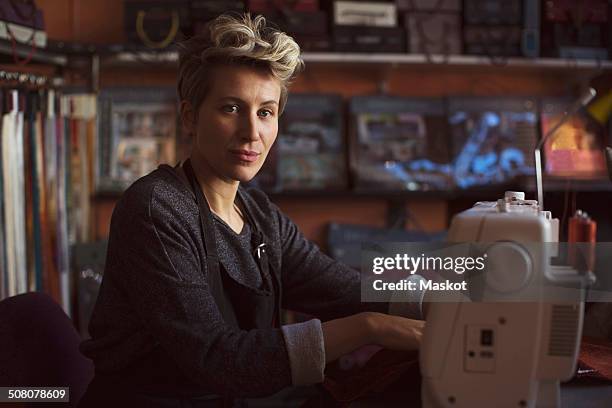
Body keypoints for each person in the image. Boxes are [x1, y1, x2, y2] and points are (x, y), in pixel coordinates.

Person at [78, 13, 426, 407]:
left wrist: (467, 282)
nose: (251, 132)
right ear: (190, 116)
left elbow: (346, 287)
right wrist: (370, 327)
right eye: (230, 108)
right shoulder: (157, 209)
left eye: (265, 112)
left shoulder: (258, 213)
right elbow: (220, 359)